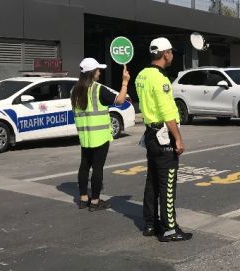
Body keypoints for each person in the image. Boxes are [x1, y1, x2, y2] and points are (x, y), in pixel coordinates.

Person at [135, 37, 192, 242]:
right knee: (167, 183)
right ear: (165, 54)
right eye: (171, 52)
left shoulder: (142, 75)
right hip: (163, 135)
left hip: (150, 133)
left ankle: (150, 224)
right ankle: (169, 229)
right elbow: (167, 112)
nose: (172, 55)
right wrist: (178, 139)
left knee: (152, 180)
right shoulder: (161, 79)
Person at [71, 57, 130, 211]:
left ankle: (83, 199)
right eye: (98, 70)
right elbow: (120, 100)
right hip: (100, 136)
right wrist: (125, 82)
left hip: (85, 136)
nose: (99, 73)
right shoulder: (98, 89)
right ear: (92, 72)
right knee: (97, 168)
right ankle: (95, 201)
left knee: (84, 166)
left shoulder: (75, 90)